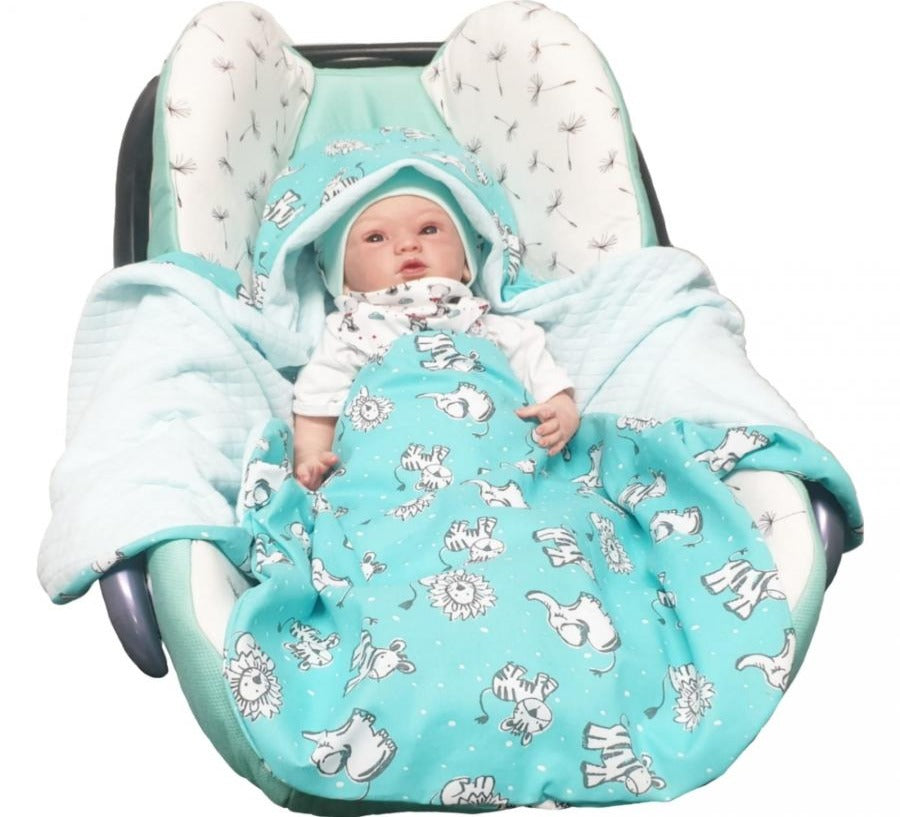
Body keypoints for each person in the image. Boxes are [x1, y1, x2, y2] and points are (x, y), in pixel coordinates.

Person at [292, 168, 579, 490]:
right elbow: (317, 407)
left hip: (500, 470)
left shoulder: (492, 328)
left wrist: (561, 414)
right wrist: (312, 457)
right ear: (341, 277)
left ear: (467, 262)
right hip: (392, 478)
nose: (408, 244)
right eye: (376, 238)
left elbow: (552, 389)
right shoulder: (350, 334)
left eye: (429, 230)